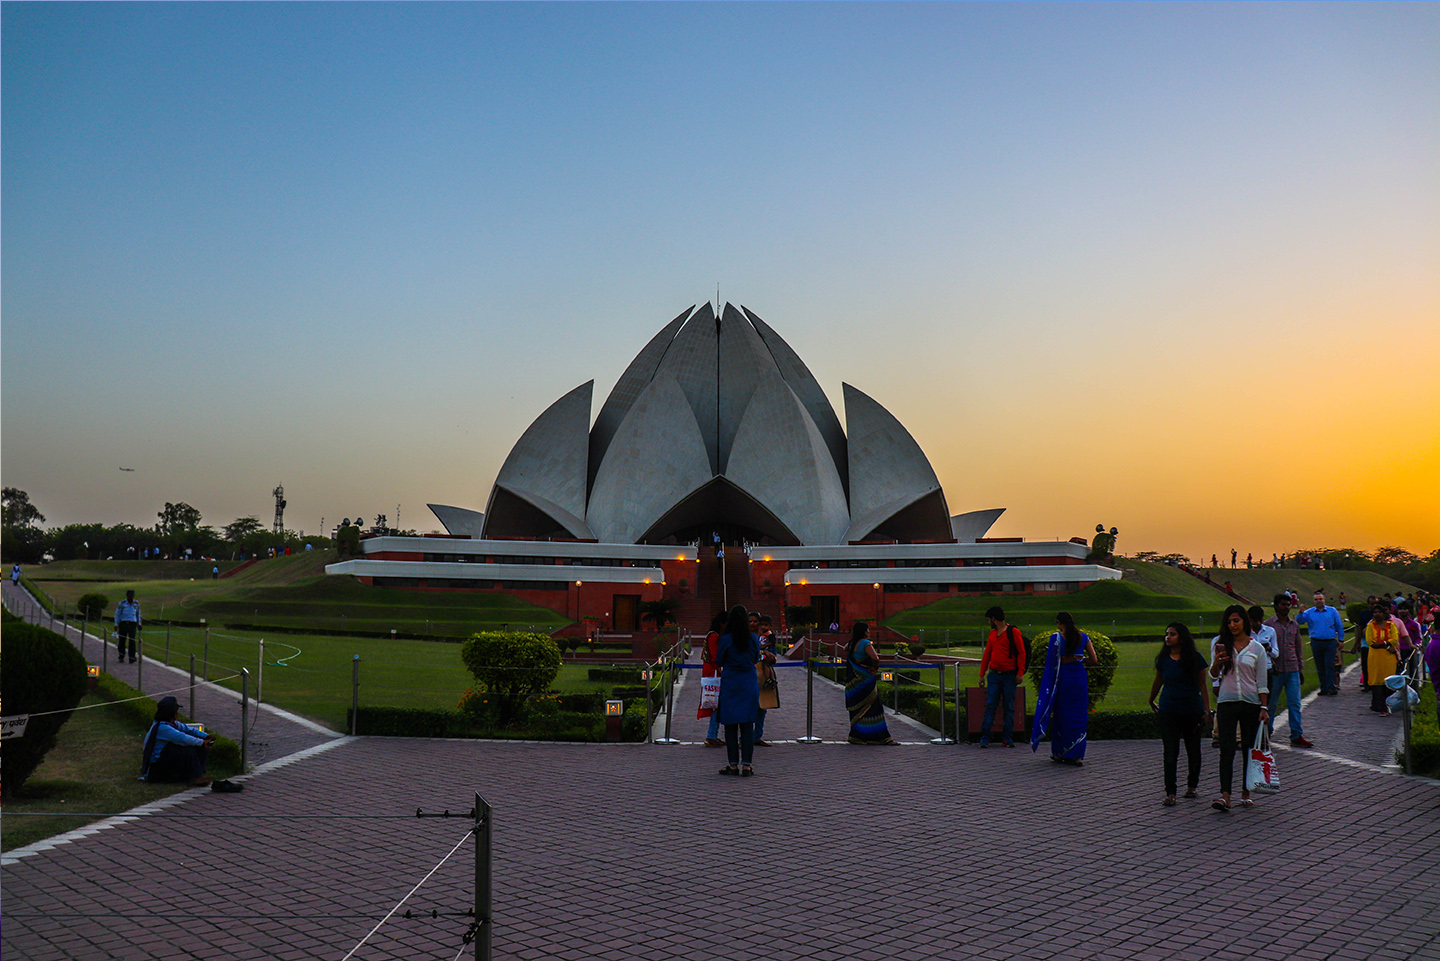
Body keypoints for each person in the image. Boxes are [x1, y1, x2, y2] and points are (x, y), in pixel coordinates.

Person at [1209, 604, 1270, 811]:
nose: (1233, 625)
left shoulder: (1257, 648)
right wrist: (1217, 662)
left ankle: (1246, 791)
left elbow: (1262, 681)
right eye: (1229, 622)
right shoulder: (1220, 644)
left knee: (1248, 749)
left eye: (1236, 620)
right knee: (1226, 749)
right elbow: (1213, 675)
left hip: (1251, 703)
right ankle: (1225, 795)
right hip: (1227, 701)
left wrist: (1264, 707)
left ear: (1244, 621)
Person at [1148, 623, 1210, 805]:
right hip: (1169, 710)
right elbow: (1158, 680)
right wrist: (1151, 699)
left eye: (1172, 634)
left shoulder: (1195, 659)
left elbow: (1203, 686)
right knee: (1170, 751)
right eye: (1166, 634)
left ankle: (1192, 786)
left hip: (1191, 710)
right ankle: (1171, 792)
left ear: (1181, 637)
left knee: (1193, 750)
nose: (1167, 637)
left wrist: (1207, 711)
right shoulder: (1164, 659)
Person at [1031, 612, 1097, 765]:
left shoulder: (1057, 638)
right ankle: (1077, 754)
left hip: (1063, 680)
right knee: (1079, 715)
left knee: (1061, 715)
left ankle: (1060, 752)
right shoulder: (1083, 637)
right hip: (1079, 680)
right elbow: (1094, 660)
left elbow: (1051, 663)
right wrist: (1081, 659)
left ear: (1060, 623)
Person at [140, 696, 241, 792]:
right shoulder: (163, 728)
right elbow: (183, 738)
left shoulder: (172, 724)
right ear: (172, 713)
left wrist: (206, 736)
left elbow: (188, 729)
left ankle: (199, 774)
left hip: (164, 763)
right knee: (188, 748)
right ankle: (196, 776)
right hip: (156, 768)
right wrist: (202, 742)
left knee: (198, 747)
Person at [714, 606, 761, 776]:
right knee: (748, 726)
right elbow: (756, 658)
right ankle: (747, 765)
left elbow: (719, 660)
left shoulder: (725, 639)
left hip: (731, 682)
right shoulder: (753, 638)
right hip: (748, 682)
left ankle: (733, 765)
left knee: (730, 726)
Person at [1265, 593, 1312, 747]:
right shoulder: (1269, 625)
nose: (1286, 607)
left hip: (1292, 669)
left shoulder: (1294, 625)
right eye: (1283, 604)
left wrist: (1300, 668)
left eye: (1288, 605)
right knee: (1271, 704)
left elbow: (1298, 648)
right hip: (1276, 670)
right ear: (1276, 606)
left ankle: (1296, 735)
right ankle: (1267, 732)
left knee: (1295, 704)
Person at [978, 606, 1027, 748]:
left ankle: (1007, 737)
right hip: (994, 674)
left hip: (1009, 675)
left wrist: (1020, 672)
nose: (989, 622)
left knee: (1008, 707)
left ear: (994, 619)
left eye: (989, 619)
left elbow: (1021, 652)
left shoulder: (1013, 632)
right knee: (991, 705)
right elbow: (987, 654)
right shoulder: (993, 634)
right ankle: (985, 737)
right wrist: (982, 674)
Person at [844, 621, 896, 745]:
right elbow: (875, 658)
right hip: (866, 682)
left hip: (854, 684)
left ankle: (856, 736)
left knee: (858, 710)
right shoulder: (865, 643)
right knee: (874, 708)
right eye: (868, 629)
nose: (869, 631)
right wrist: (875, 668)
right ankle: (879, 737)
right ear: (864, 631)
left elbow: (844, 649)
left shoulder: (851, 643)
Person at [1296, 591, 1345, 695]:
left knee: (1330, 665)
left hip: (1330, 642)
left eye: (1320, 599)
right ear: (1314, 601)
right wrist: (1300, 612)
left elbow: (1339, 625)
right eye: (1316, 599)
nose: (1319, 601)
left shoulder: (1332, 611)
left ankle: (1331, 686)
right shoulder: (1309, 612)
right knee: (1320, 666)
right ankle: (1323, 687)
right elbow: (1300, 621)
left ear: (1324, 600)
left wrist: (1341, 639)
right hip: (1316, 642)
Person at [1364, 603, 1407, 716]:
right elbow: (1370, 642)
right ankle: (1379, 707)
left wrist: (1382, 643)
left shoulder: (1391, 625)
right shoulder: (1370, 626)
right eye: (1375, 612)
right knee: (1377, 681)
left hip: (1389, 658)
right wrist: (1386, 645)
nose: (1377, 614)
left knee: (1389, 680)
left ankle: (1390, 706)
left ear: (1384, 614)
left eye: (1379, 612)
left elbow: (1394, 639)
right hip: (1375, 658)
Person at [698, 611, 727, 747]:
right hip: (713, 672)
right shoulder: (714, 636)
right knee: (716, 704)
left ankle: (713, 734)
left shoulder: (713, 634)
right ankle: (711, 735)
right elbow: (715, 656)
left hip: (711, 671)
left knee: (717, 704)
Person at [753, 615, 778, 747]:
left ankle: (757, 736)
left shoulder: (768, 636)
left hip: (762, 675)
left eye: (756, 622)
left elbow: (773, 657)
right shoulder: (748, 636)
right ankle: (743, 738)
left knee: (762, 707)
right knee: (748, 708)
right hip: (750, 676)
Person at [114, 588, 142, 664]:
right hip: (123, 623)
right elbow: (117, 614)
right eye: (129, 596)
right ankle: (121, 656)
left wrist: (139, 623)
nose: (130, 598)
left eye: (131, 596)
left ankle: (131, 657)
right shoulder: (122, 603)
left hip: (132, 624)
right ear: (127, 596)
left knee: (132, 640)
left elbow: (138, 614)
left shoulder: (136, 604)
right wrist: (116, 624)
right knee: (122, 640)